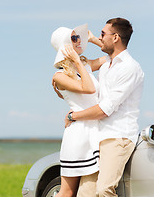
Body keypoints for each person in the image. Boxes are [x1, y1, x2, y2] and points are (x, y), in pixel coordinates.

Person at [65, 18, 144, 197]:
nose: (99, 37)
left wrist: (73, 116)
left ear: (115, 37)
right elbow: (80, 67)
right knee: (85, 194)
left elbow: (105, 109)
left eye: (102, 34)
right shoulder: (107, 63)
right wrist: (89, 39)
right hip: (97, 136)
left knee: (104, 190)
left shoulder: (129, 68)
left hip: (117, 137)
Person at [51, 23, 105, 197]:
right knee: (67, 192)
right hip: (78, 135)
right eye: (74, 38)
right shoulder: (59, 76)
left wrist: (95, 40)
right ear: (65, 44)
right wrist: (76, 61)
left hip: (96, 130)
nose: (79, 41)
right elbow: (89, 88)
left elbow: (115, 57)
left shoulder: (85, 64)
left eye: (79, 37)